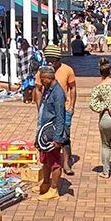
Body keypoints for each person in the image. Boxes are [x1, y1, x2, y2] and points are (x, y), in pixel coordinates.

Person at [35, 44, 77, 176]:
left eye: (53, 60)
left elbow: (73, 88)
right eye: (48, 59)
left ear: (59, 59)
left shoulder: (67, 70)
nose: (50, 62)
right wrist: (40, 107)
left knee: (64, 137)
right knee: (47, 137)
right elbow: (37, 90)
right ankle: (50, 164)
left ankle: (66, 163)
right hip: (48, 111)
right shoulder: (42, 71)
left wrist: (71, 107)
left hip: (64, 108)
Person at [88, 58, 111, 181]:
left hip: (106, 118)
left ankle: (106, 172)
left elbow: (93, 104)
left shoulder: (99, 87)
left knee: (105, 145)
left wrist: (104, 107)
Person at [36, 65, 66, 201]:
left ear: (49, 78)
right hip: (44, 131)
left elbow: (60, 117)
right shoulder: (48, 89)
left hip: (53, 132)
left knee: (54, 162)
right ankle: (46, 183)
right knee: (45, 160)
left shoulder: (58, 94)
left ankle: (54, 189)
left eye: (42, 79)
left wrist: (58, 138)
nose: (41, 82)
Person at [16, 38, 37, 103]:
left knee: (26, 86)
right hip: (30, 70)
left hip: (25, 70)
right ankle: (33, 100)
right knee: (32, 86)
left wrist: (18, 73)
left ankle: (27, 99)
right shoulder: (32, 49)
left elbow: (18, 63)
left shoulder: (20, 52)